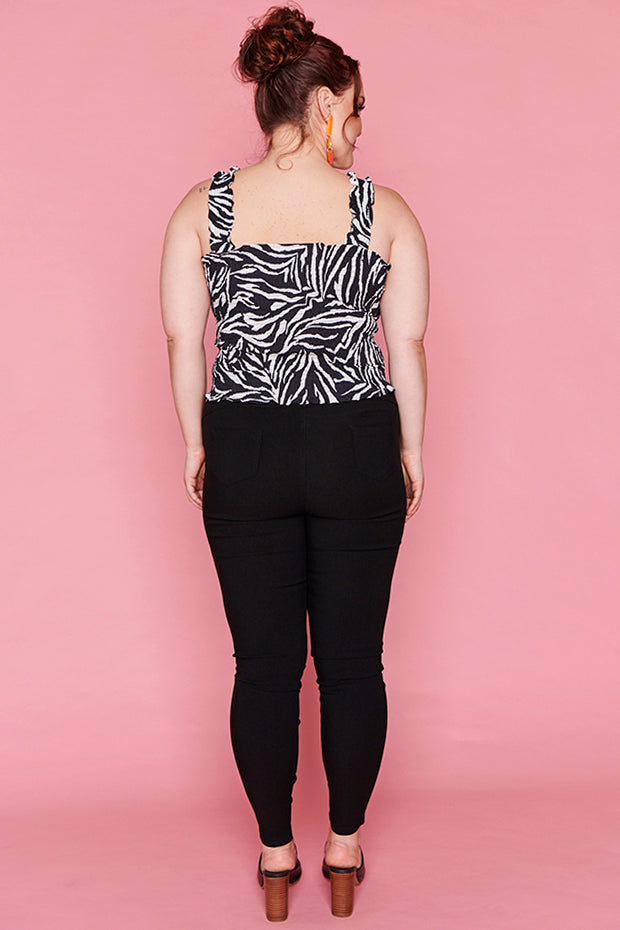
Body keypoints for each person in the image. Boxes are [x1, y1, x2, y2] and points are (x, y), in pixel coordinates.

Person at [160, 3, 429, 921]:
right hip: (356, 444)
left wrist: (197, 443)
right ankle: (343, 848)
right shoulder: (383, 211)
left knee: (263, 669)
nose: (359, 127)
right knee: (354, 665)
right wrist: (411, 448)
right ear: (321, 106)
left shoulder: (202, 209)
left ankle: (277, 855)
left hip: (245, 447)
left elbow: (183, 341)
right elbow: (407, 345)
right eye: (355, 108)